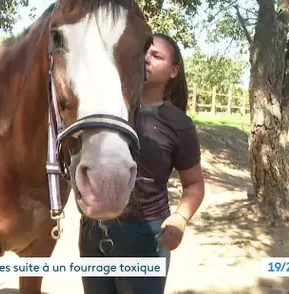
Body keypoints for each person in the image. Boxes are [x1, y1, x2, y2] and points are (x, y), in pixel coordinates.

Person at [78, 33, 206, 294]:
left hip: (145, 236)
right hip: (94, 231)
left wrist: (180, 219)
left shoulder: (179, 124)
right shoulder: (104, 108)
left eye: (156, 55)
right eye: (143, 51)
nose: (146, 58)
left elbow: (193, 185)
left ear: (173, 71)